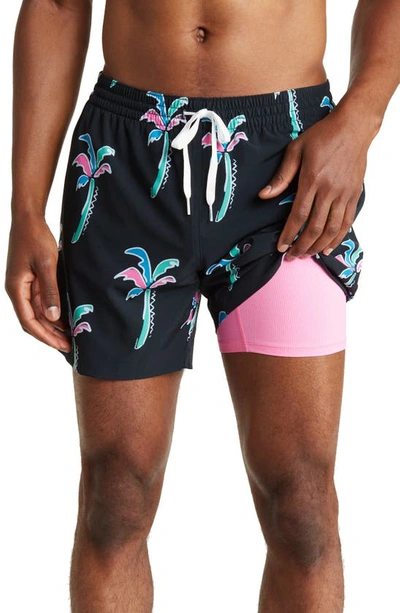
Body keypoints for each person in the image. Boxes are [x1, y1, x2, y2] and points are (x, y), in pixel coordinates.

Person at [5, 0, 399, 611]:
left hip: (288, 161)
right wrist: (26, 207)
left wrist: (360, 119)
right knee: (116, 493)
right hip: (127, 158)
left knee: (301, 502)